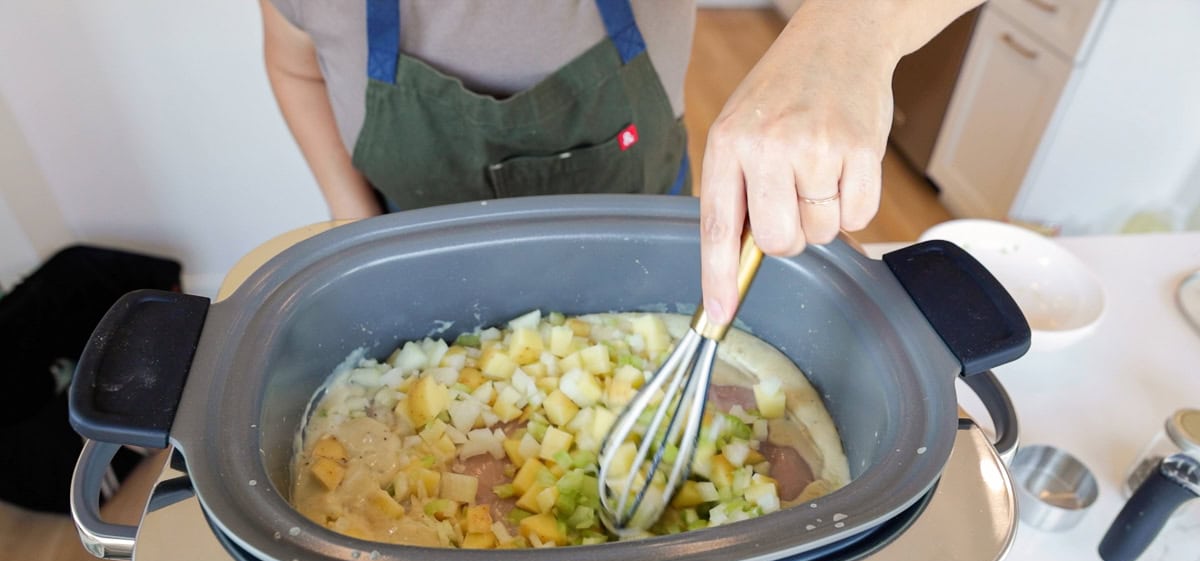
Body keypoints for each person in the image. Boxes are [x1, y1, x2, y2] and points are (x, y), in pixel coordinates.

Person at [260, 0, 981, 324]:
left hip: (651, 276)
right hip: (412, 277)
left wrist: (847, 33)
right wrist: (354, 231)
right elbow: (294, 68)